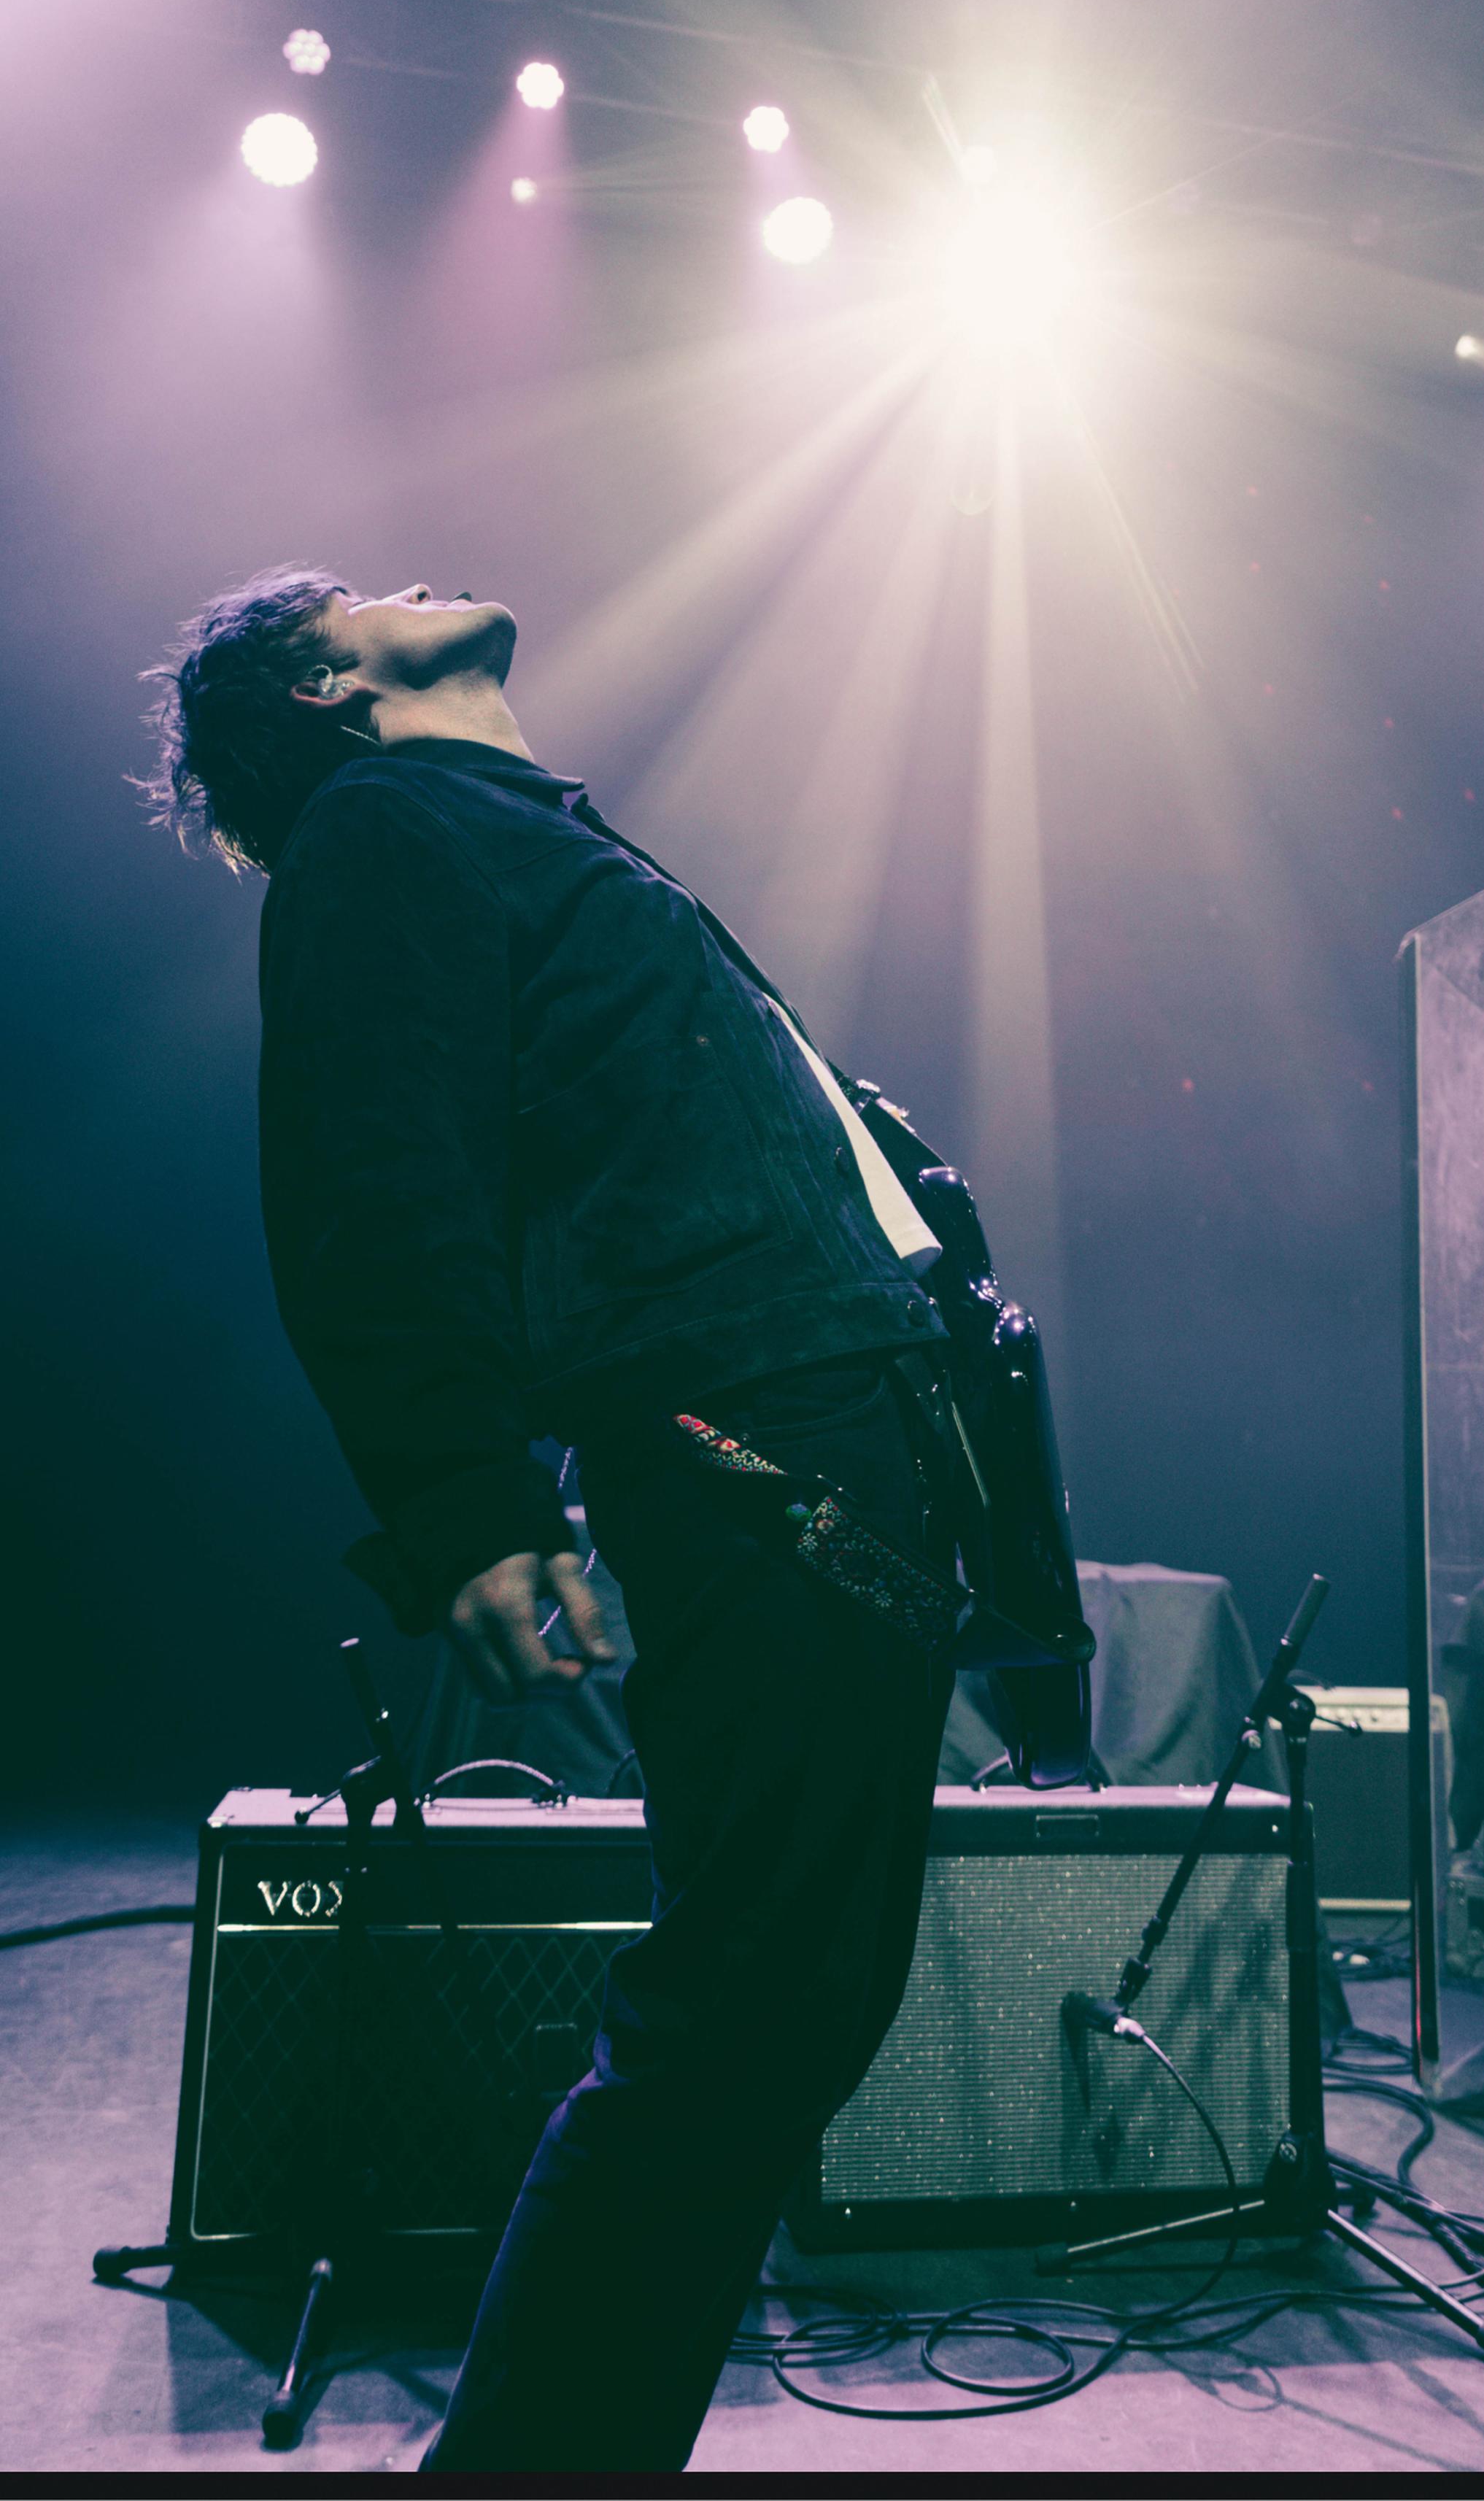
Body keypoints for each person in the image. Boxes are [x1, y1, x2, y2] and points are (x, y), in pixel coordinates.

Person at [142, 566, 961, 2470]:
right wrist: (468, 1504)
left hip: (826, 1412)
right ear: (337, 679)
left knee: (792, 1996)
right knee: (752, 1998)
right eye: (369, 591)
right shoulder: (383, 828)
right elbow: (369, 1180)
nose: (419, 577)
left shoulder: (507, 829)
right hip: (753, 1430)